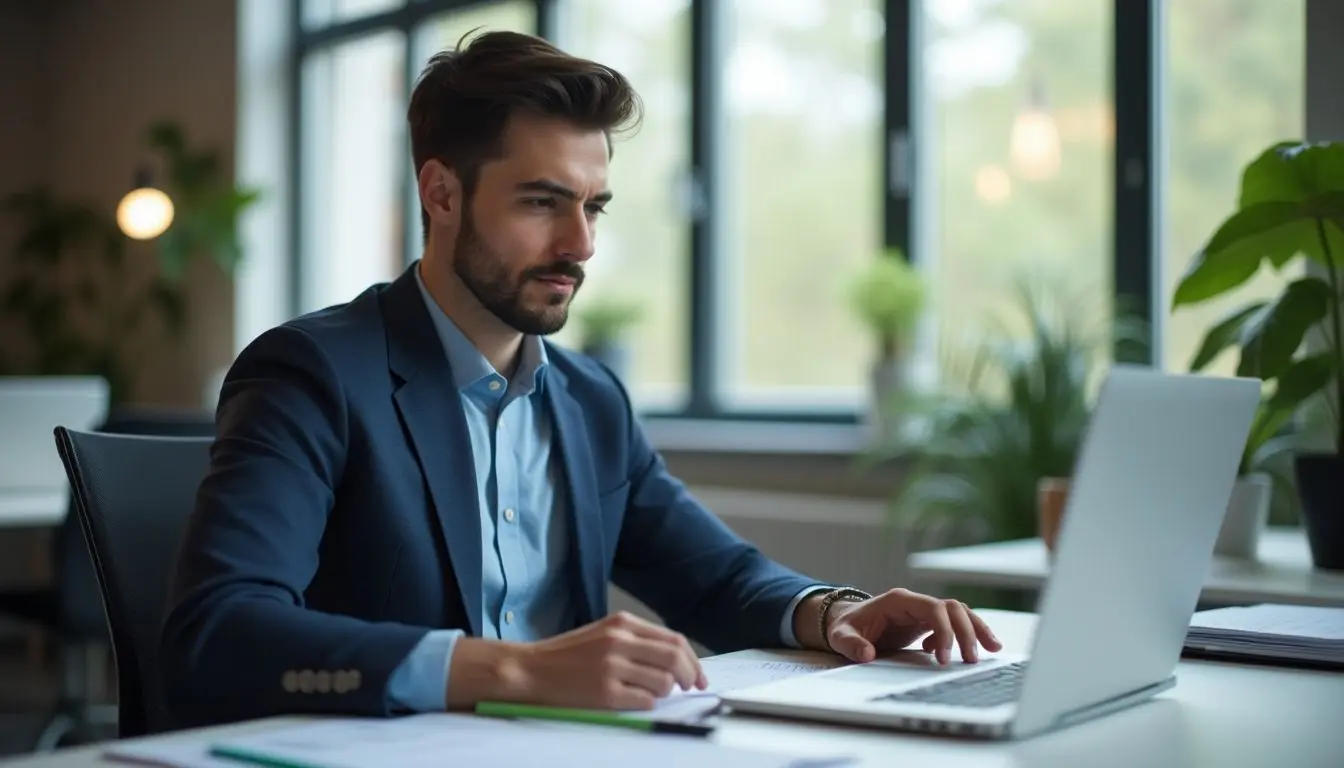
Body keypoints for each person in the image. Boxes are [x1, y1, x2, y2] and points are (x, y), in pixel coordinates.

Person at [159, 30, 1000, 728]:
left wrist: (832, 612)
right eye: (541, 203)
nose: (581, 244)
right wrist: (514, 671)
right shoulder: (314, 373)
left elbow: (715, 576)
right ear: (441, 193)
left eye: (592, 206)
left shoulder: (589, 399)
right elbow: (218, 633)